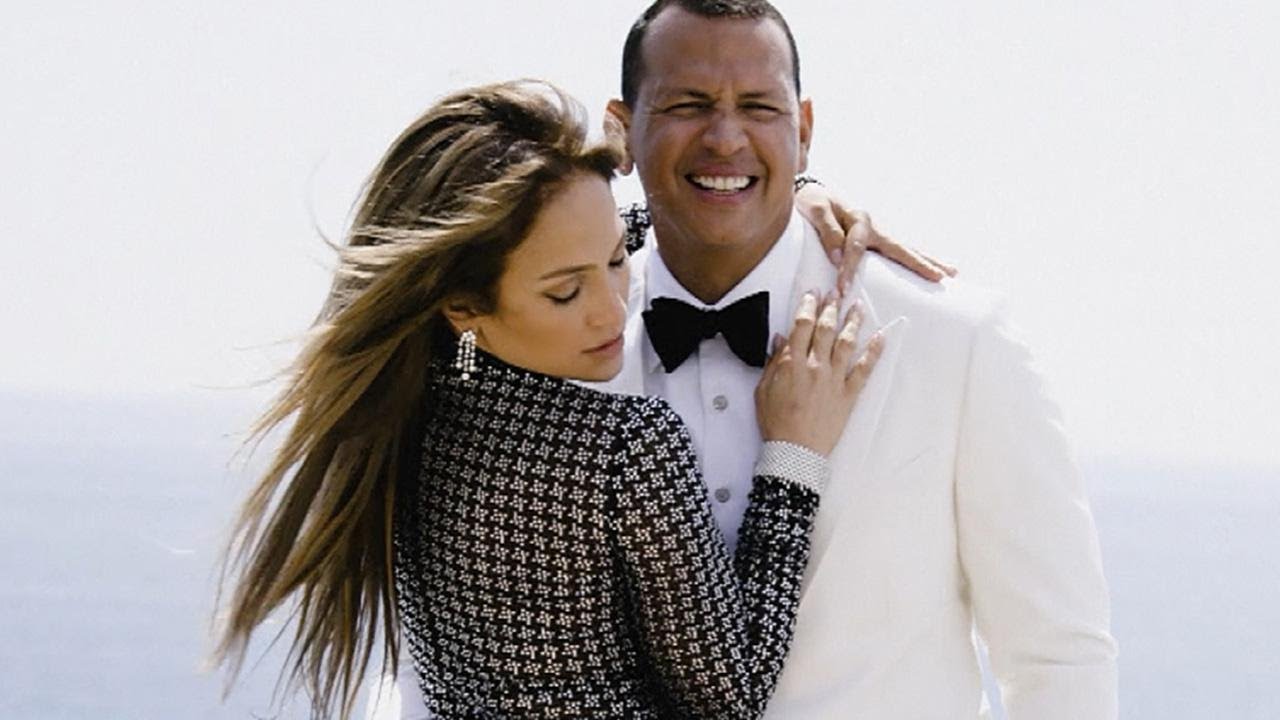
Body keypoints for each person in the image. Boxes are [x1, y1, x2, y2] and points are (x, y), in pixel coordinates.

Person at [383, 0, 1120, 718]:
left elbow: (1058, 656)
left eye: (760, 108)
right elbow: (436, 661)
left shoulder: (955, 339)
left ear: (804, 131)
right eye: (689, 105)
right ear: (624, 131)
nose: (725, 137)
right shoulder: (544, 338)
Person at [213, 80, 893, 719]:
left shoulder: (407, 408)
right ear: (463, 305)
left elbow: (574, 237)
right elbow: (731, 696)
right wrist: (794, 455)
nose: (612, 309)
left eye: (617, 262)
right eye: (566, 293)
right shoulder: (626, 446)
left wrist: (784, 197)